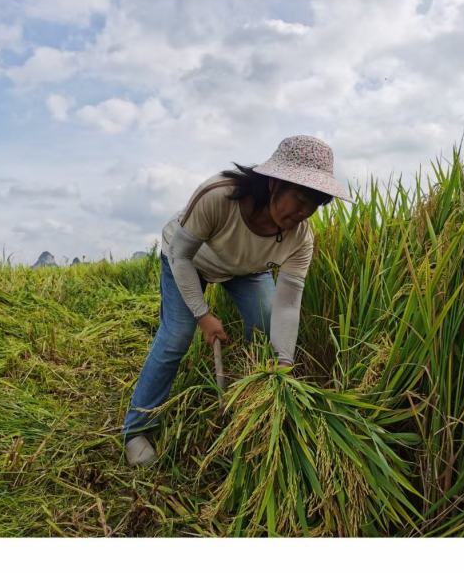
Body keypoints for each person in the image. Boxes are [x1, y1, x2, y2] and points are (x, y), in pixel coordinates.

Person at [122, 134, 353, 466]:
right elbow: (182, 257)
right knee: (176, 336)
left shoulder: (300, 239)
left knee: (266, 325)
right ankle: (136, 430)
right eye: (300, 198)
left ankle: (251, 404)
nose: (304, 213)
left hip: (245, 269)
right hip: (188, 260)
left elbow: (287, 304)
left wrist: (284, 362)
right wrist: (203, 315)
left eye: (314, 205)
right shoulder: (219, 197)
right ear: (275, 183)